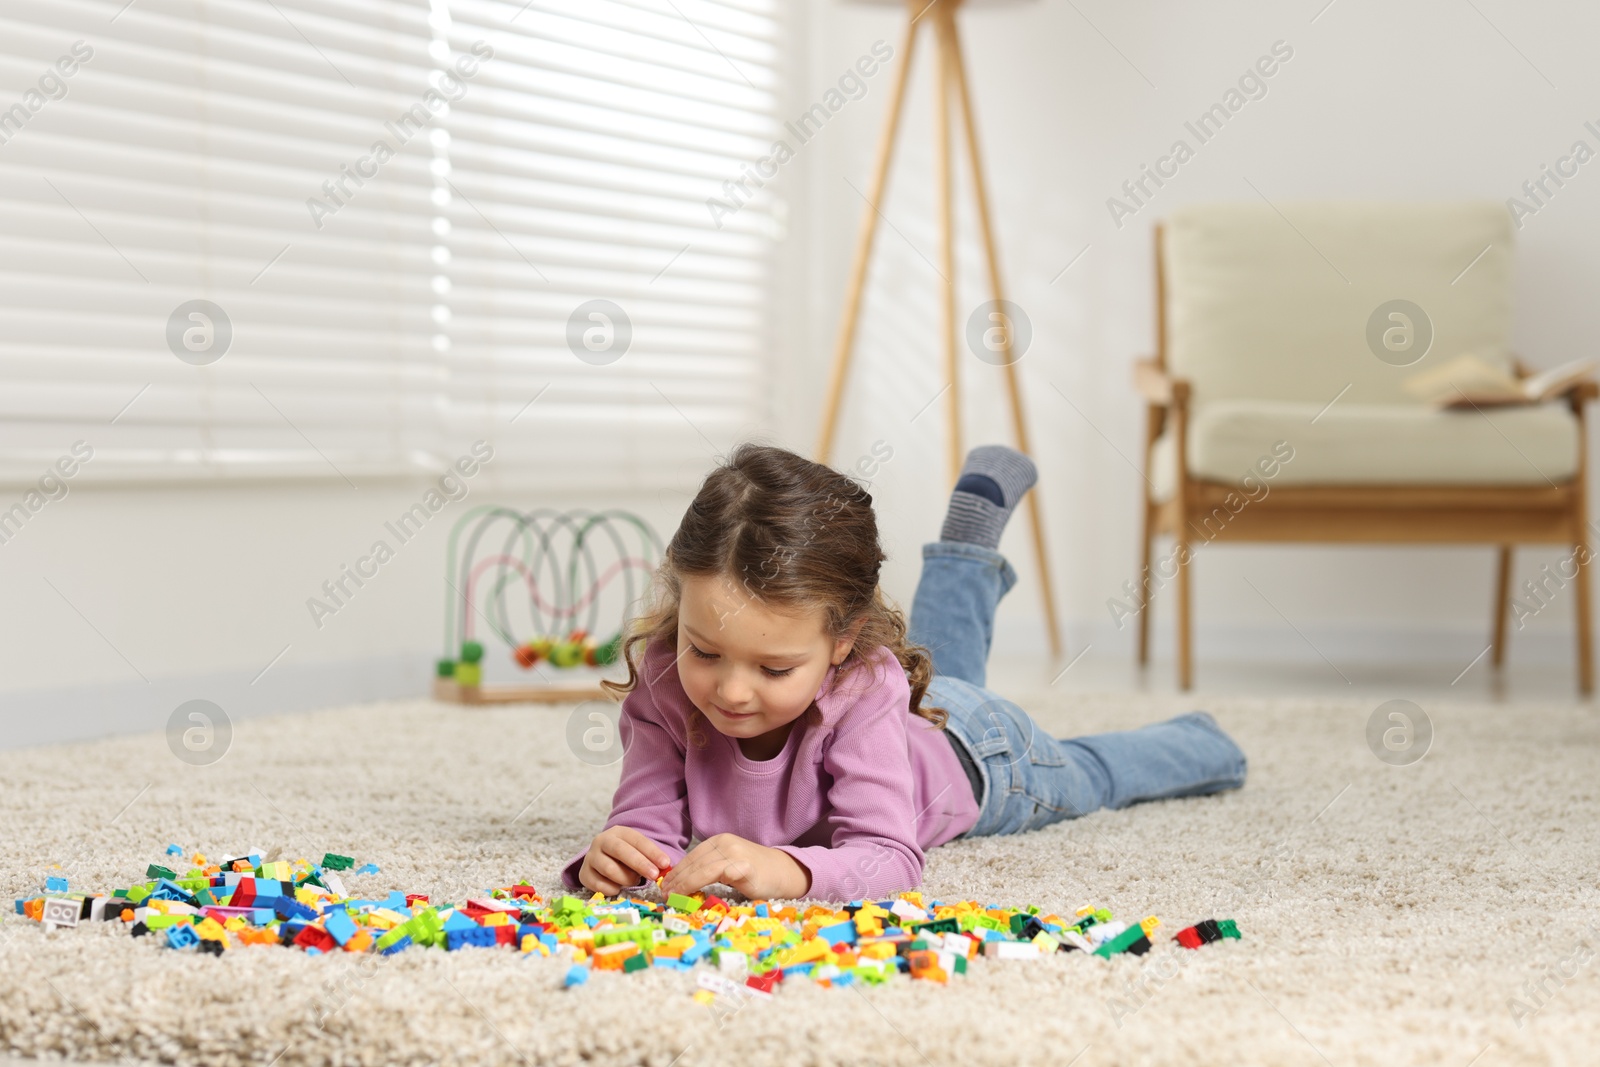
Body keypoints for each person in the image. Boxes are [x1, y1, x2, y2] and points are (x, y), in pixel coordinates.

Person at [561, 442, 1246, 901]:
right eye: (704, 650)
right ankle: (964, 546)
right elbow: (647, 819)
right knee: (938, 672)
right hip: (923, 705)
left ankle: (1203, 739)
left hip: (984, 758)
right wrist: (625, 856)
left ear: (841, 640)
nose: (730, 690)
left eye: (773, 667)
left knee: (1092, 774)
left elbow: (888, 855)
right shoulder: (664, 677)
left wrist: (789, 868)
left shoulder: (865, 685)